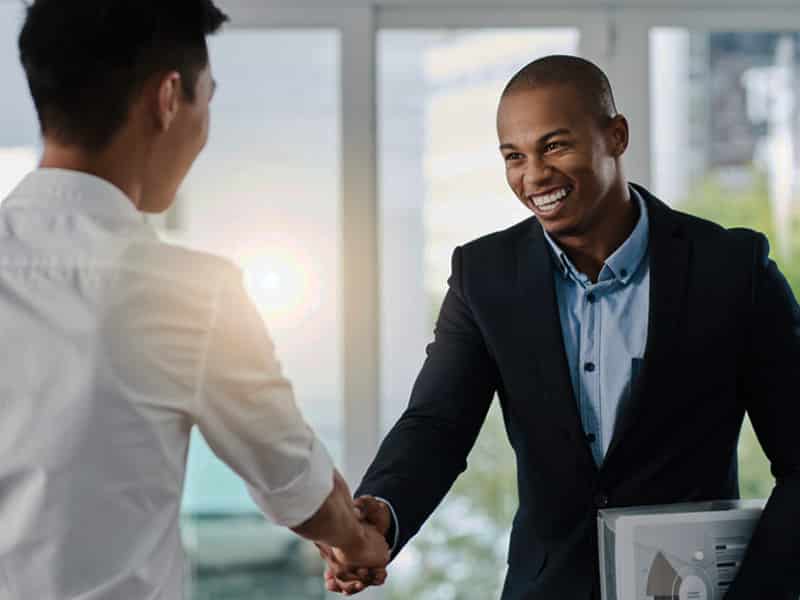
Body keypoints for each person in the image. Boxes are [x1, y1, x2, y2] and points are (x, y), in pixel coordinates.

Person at [319, 55, 800, 598]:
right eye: (513, 156)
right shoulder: (484, 276)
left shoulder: (732, 268)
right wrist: (383, 512)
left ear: (615, 136)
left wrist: (759, 588)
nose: (534, 176)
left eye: (554, 146)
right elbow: (436, 425)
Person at [0, 1, 388, 598]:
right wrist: (354, 540)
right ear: (168, 98)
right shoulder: (187, 294)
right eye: (208, 99)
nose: (205, 130)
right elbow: (295, 482)